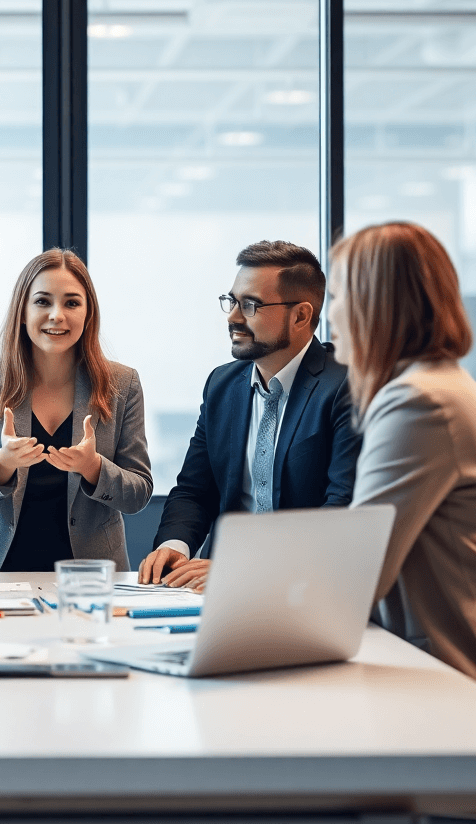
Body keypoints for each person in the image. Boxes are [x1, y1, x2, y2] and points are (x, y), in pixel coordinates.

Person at [330, 222, 476, 685]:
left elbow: (360, 572)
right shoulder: (439, 387)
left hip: (474, 675)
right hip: (455, 658)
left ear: (374, 303)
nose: (330, 315)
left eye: (337, 295)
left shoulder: (421, 401)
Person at [139, 240, 361, 591]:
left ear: (301, 316)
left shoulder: (346, 387)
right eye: (231, 302)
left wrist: (242, 569)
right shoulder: (222, 385)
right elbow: (195, 491)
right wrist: (174, 546)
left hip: (305, 587)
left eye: (250, 305)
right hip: (213, 587)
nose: (233, 317)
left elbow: (341, 511)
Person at [0, 248, 152, 573]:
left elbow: (138, 494)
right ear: (22, 311)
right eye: (43, 301)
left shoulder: (122, 385)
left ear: (88, 313)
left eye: (72, 303)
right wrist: (1, 463)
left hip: (92, 577)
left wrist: (94, 467)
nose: (57, 315)